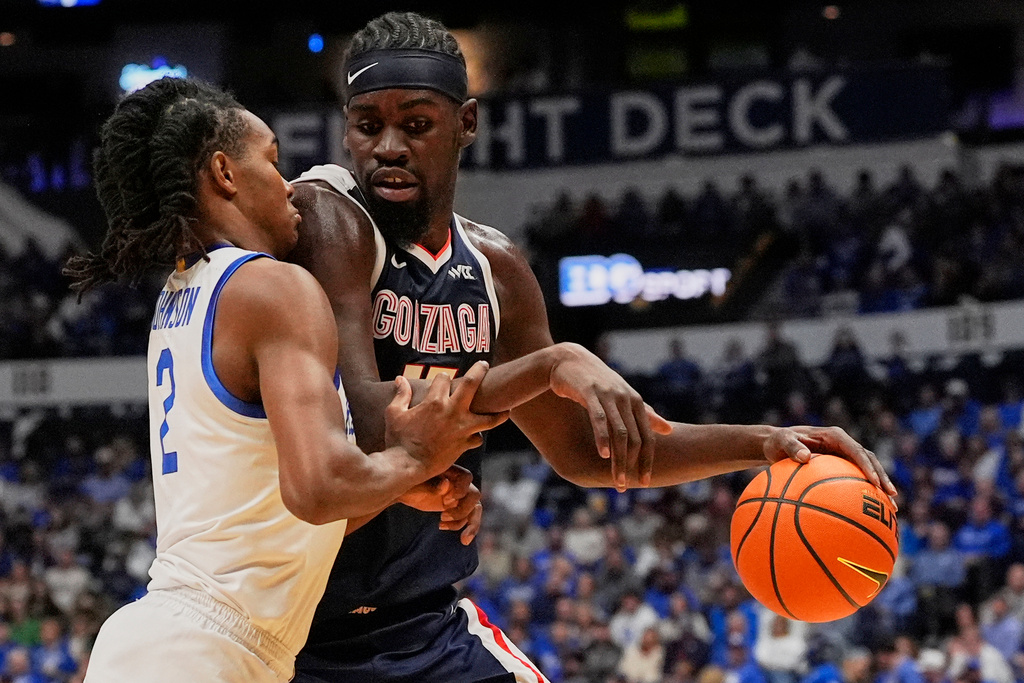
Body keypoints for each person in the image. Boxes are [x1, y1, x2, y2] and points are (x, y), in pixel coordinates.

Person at [288, 11, 897, 682]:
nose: (389, 146)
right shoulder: (328, 216)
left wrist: (764, 443)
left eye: (417, 123)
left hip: (428, 625)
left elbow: (587, 452)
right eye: (368, 125)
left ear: (467, 124)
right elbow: (364, 418)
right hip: (299, 630)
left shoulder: (497, 269)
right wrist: (550, 366)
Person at [62, 77, 503, 682]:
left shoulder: (186, 294)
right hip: (204, 651)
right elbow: (318, 489)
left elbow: (273, 517)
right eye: (272, 161)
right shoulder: (273, 286)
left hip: (177, 643)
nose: (290, 186)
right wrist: (416, 456)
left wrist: (398, 484)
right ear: (224, 172)